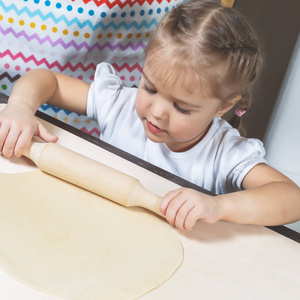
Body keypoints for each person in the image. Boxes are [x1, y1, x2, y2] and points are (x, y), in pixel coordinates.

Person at [0, 1, 300, 231]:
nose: (156, 111)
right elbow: (47, 81)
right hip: (87, 224)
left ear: (223, 106)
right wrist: (21, 107)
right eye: (150, 87)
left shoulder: (223, 152)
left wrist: (217, 206)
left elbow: (291, 198)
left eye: (181, 107)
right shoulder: (120, 104)